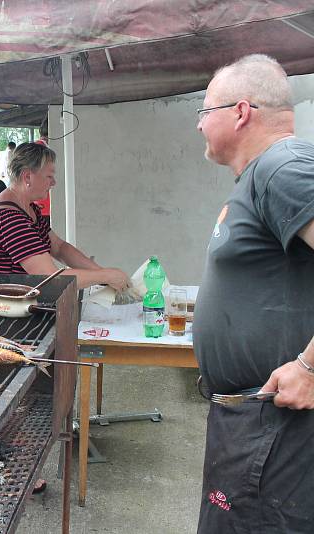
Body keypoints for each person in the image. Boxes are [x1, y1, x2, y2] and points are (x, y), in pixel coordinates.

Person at [194, 54, 314, 533]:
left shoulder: (282, 167)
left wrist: (309, 366)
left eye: (204, 113)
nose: (199, 126)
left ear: (240, 112)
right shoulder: (265, 175)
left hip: (276, 427)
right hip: (251, 420)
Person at [0, 142, 129, 290]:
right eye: (49, 176)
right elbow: (48, 278)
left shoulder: (28, 207)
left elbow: (59, 247)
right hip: (3, 308)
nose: (54, 182)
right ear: (27, 177)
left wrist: (100, 272)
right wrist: (104, 276)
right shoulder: (8, 217)